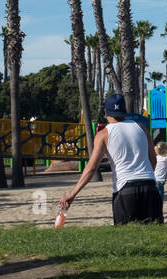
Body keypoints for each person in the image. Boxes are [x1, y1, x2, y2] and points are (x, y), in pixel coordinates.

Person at [60, 93, 161, 224]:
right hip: (150, 188)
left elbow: (91, 168)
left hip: (125, 190)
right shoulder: (142, 128)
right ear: (124, 111)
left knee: (126, 239)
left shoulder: (103, 135)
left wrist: (72, 194)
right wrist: (147, 178)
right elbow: (153, 160)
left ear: (106, 112)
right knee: (155, 238)